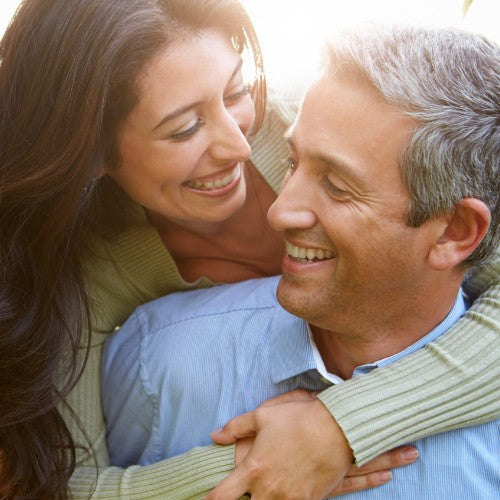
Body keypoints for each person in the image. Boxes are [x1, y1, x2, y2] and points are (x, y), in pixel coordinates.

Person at [0, 0, 497, 496]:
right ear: (93, 155)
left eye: (237, 91)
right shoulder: (88, 277)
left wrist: (342, 427)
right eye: (184, 129)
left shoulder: (333, 119)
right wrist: (253, 468)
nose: (239, 145)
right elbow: (57, 485)